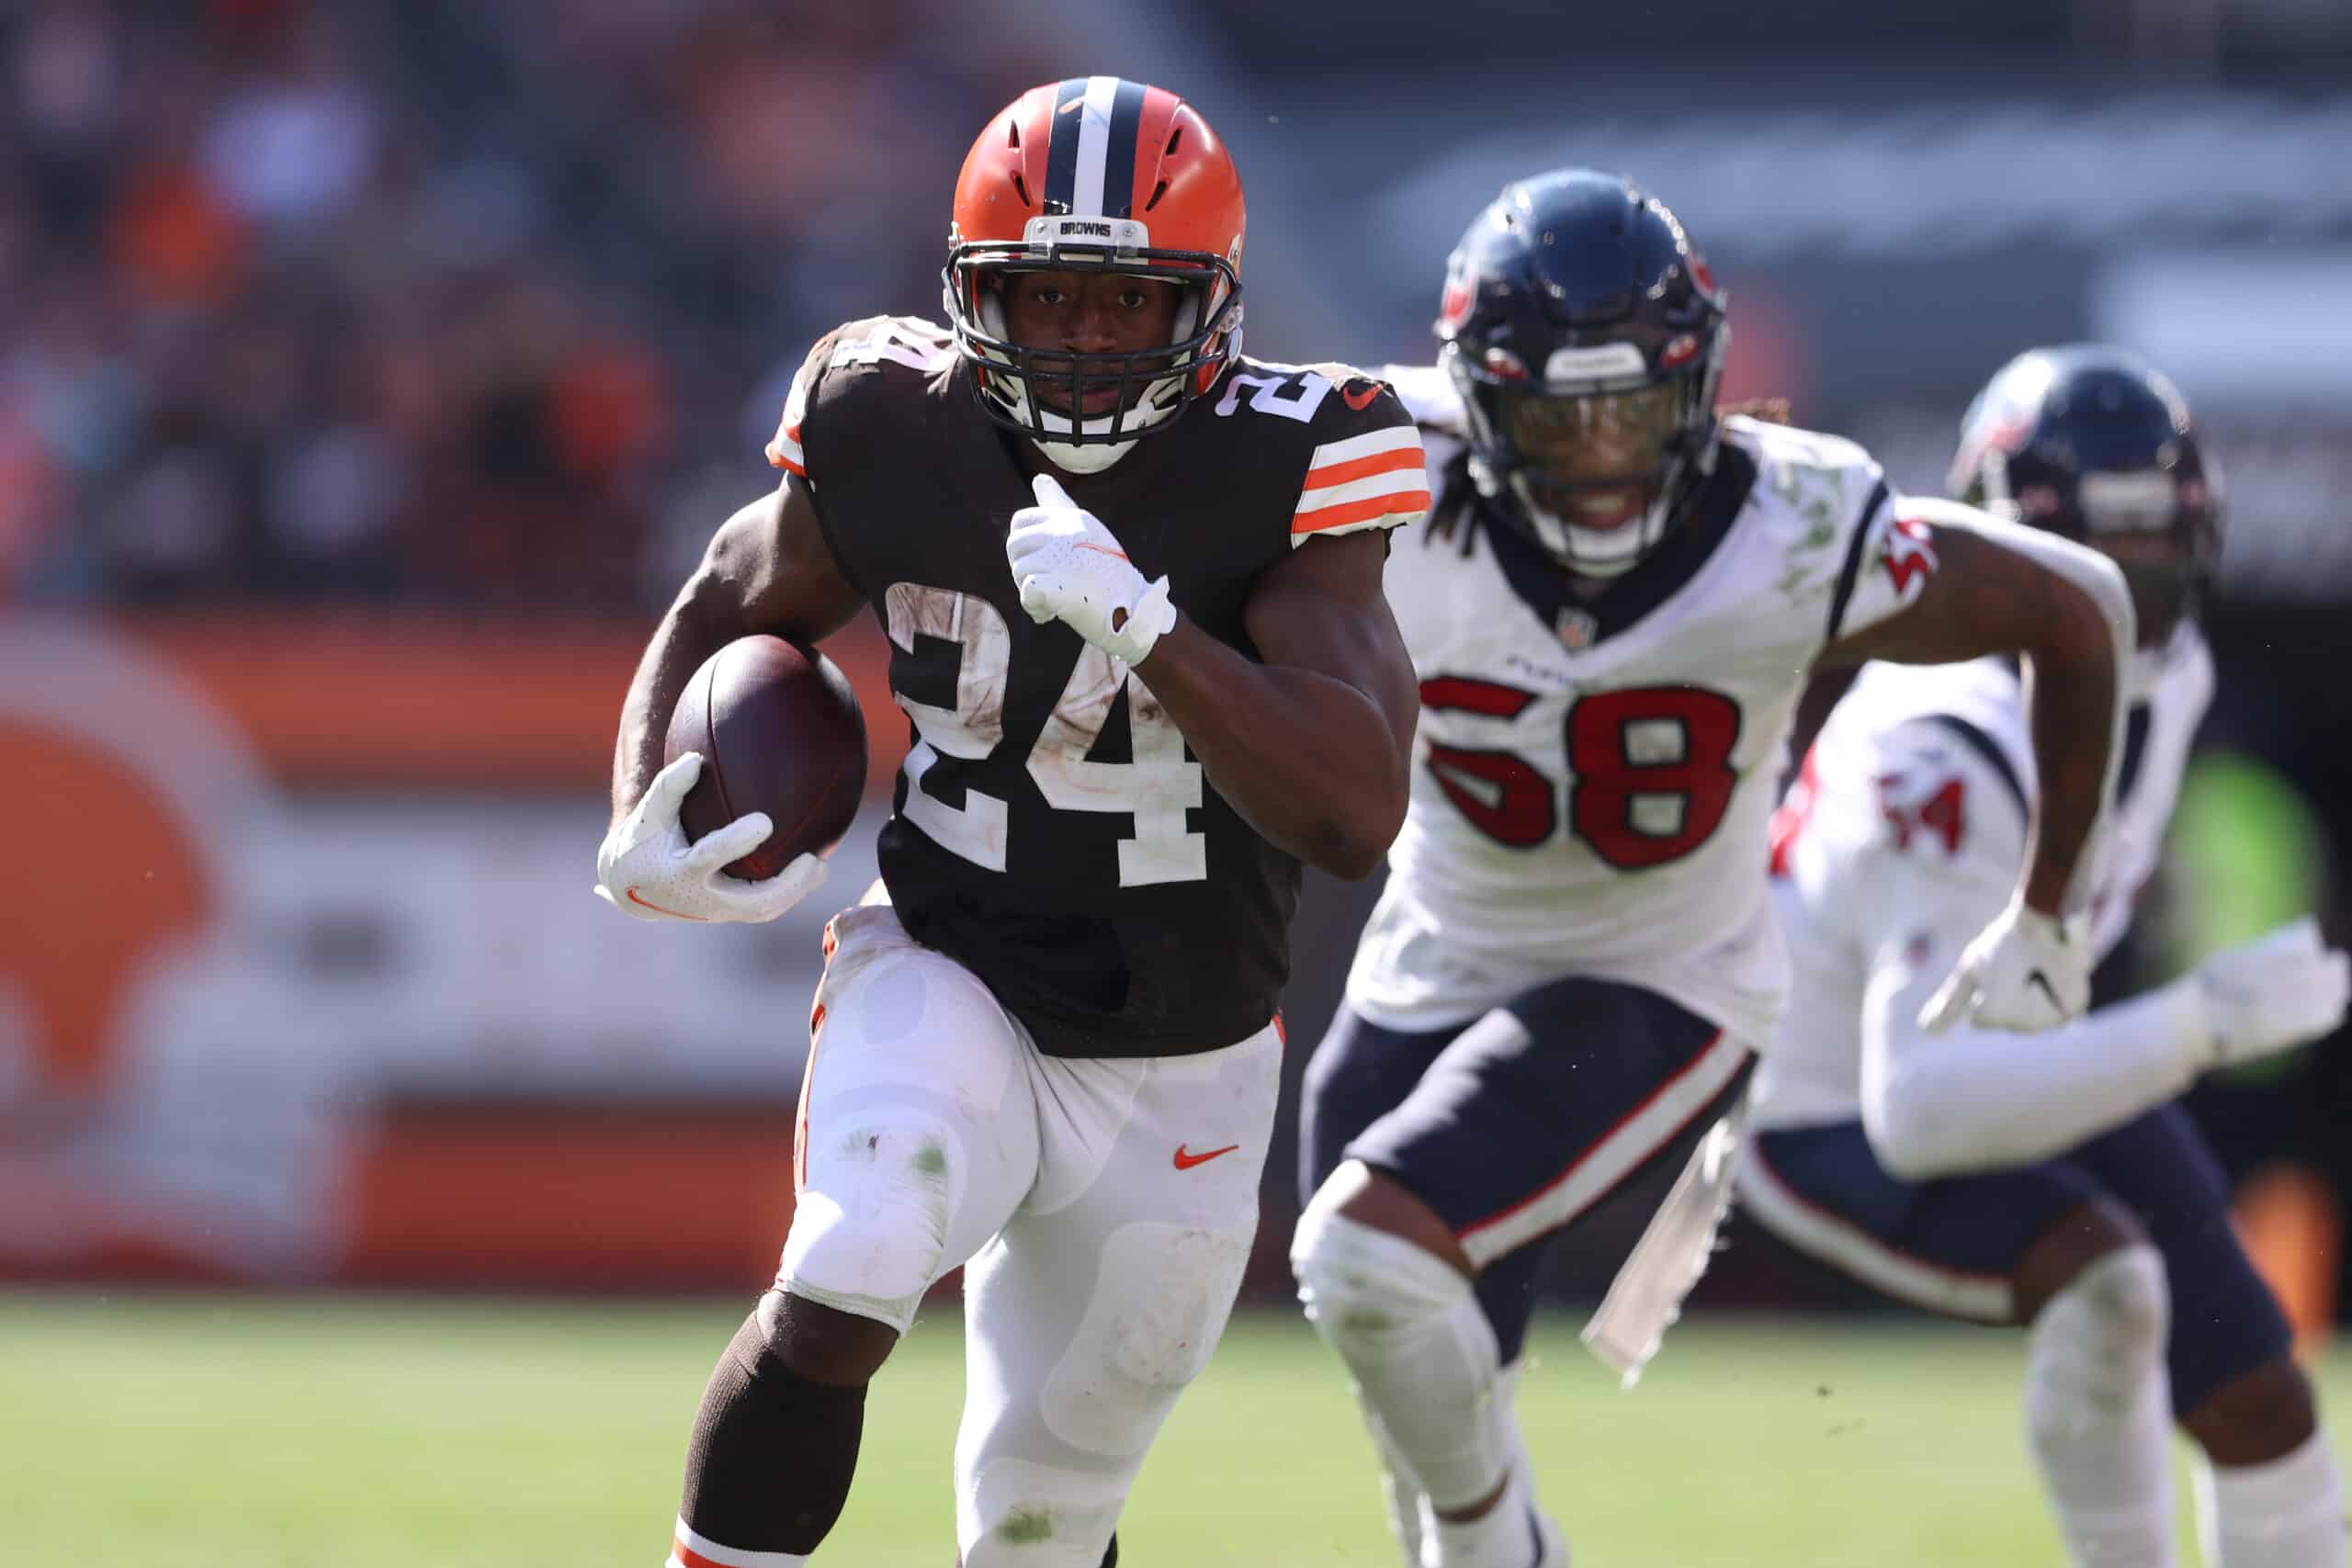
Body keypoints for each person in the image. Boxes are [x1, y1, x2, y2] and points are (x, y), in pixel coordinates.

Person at [594, 77, 1428, 1568]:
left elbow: (1355, 814)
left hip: (1188, 1049)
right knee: (852, 1256)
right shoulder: (885, 418)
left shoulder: (1297, 455)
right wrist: (635, 803)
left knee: (1042, 1522)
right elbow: (731, 595)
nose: (1087, 346)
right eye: (1045, 300)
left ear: (1213, 307)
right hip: (951, 955)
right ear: (974, 296)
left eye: (1127, 306)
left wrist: (1148, 629)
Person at [1289, 169, 2137, 1568]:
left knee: (1362, 1259)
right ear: (1477, 399)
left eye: (1632, 412)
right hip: (1434, 952)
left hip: (1661, 970)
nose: (1603, 456)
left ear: (1698, 388)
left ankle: (1514, 1546)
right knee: (1417, 1389)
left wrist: (2048, 913)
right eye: (1560, 421)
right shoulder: (1380, 461)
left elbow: (2078, 603)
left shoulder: (1795, 526)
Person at [1741, 344, 2350, 1568]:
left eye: (2150, 558)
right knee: (2109, 1284)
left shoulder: (2172, 673)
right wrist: (2206, 1024)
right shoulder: (1939, 746)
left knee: (2261, 1393)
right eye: (2084, 564)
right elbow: (1916, 1110)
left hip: (2018, 1043)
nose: (2117, 601)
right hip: (1821, 1112)